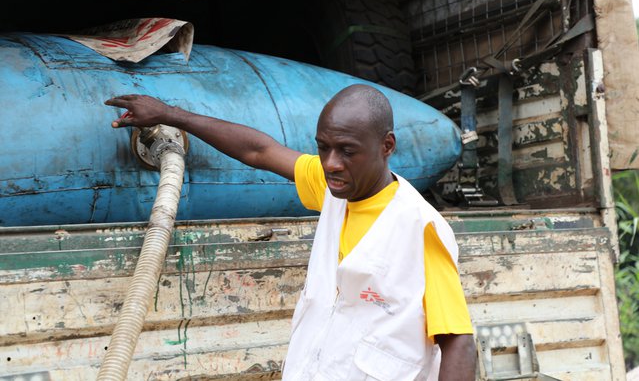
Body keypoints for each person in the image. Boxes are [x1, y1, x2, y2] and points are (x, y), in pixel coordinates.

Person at [105, 84, 476, 380]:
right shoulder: (335, 189)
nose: (331, 164)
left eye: (347, 150)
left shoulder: (419, 227)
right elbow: (259, 151)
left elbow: (458, 342)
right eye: (323, 148)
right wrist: (171, 115)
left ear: (387, 145)